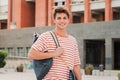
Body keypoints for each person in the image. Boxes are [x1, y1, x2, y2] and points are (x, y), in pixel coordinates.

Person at [28, 7, 82, 80]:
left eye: (64, 18)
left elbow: (76, 65)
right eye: (59, 18)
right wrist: (54, 54)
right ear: (54, 20)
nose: (62, 21)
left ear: (68, 20)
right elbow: (31, 54)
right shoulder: (46, 36)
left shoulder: (73, 40)